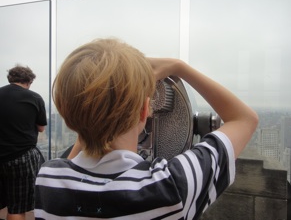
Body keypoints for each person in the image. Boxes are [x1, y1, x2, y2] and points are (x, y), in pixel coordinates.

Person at [34, 38, 258, 220]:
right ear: (144, 111)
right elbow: (244, 119)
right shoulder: (171, 188)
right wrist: (179, 67)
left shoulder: (48, 179)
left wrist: (93, 117)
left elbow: (72, 161)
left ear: (68, 115)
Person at [0, 65, 47, 220]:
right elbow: (41, 128)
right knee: (16, 208)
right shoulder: (34, 97)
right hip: (21, 158)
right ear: (29, 81)